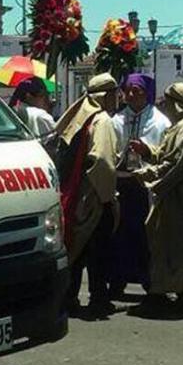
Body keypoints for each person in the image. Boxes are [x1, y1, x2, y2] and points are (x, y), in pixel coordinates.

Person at [130, 83, 183, 316]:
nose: (163, 105)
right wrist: (148, 152)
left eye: (166, 100)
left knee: (167, 244)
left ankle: (160, 293)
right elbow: (170, 154)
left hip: (179, 199)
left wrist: (150, 178)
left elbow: (178, 164)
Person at [53, 73, 120, 317]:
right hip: (92, 194)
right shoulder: (102, 120)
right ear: (107, 96)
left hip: (71, 191)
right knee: (97, 250)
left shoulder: (78, 116)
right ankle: (98, 298)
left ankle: (68, 297)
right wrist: (107, 196)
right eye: (115, 93)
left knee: (76, 248)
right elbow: (102, 160)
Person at [104, 73, 171, 298]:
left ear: (147, 93)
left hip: (145, 185)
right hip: (121, 182)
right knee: (118, 235)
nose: (131, 95)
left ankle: (149, 282)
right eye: (128, 90)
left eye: (137, 90)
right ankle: (117, 280)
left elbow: (165, 155)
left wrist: (146, 152)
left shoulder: (160, 122)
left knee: (145, 235)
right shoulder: (116, 120)